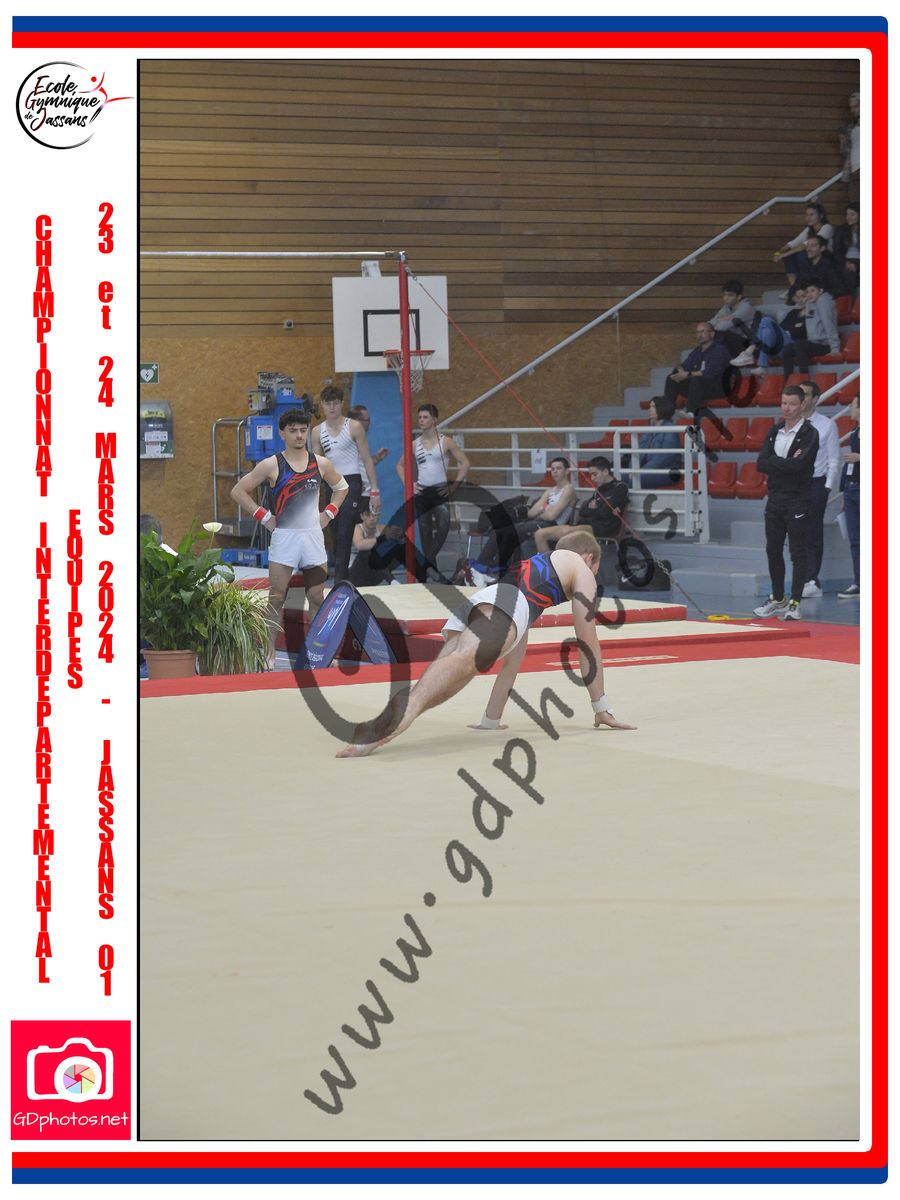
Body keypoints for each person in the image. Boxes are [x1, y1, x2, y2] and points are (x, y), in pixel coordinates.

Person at [336, 530, 636, 757]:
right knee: (452, 670)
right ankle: (381, 726)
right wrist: (601, 707)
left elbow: (511, 665)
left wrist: (491, 719)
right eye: (595, 570)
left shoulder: (537, 582)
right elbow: (587, 641)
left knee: (449, 681)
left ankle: (393, 720)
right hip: (507, 604)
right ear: (589, 558)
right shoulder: (580, 568)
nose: (592, 579)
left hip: (487, 599)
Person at [231, 407, 348, 667]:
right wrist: (264, 517)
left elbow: (342, 487)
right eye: (293, 431)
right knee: (277, 596)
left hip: (312, 537)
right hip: (285, 538)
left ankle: (316, 653)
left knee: (316, 596)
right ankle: (268, 653)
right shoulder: (271, 464)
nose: (299, 435)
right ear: (282, 433)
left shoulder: (320, 463)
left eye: (303, 430)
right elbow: (238, 491)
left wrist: (329, 512)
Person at [753, 386, 820, 622]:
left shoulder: (810, 433)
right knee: (773, 549)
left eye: (792, 403)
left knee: (797, 551)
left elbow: (799, 466)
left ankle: (795, 602)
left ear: (802, 405)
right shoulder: (775, 431)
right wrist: (784, 463)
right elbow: (761, 463)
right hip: (775, 498)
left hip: (798, 499)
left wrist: (775, 462)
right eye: (784, 403)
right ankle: (778, 598)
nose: (787, 408)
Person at [465, 456, 577, 585]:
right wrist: (546, 510)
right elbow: (531, 513)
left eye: (558, 468)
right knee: (500, 531)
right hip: (539, 523)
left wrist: (543, 509)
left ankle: (481, 568)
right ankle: (491, 569)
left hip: (554, 526)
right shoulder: (550, 491)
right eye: (553, 469)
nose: (555, 471)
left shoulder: (569, 490)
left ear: (567, 471)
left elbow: (552, 516)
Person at [311, 385, 382, 584]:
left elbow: (367, 460)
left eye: (335, 403)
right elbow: (317, 466)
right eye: (328, 403)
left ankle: (339, 583)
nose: (332, 407)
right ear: (322, 405)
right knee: (335, 533)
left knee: (345, 531)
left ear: (342, 404)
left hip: (351, 484)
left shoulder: (354, 426)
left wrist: (375, 491)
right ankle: (345, 579)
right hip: (331, 485)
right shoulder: (317, 432)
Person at [396, 403, 469, 576]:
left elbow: (465, 463)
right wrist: (409, 485)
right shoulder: (415, 444)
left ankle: (425, 563)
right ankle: (430, 574)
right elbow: (399, 466)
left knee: (443, 526)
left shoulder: (446, 442)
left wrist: (454, 486)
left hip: (439, 491)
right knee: (425, 534)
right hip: (422, 492)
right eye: (419, 417)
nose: (421, 420)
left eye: (425, 417)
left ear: (434, 419)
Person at [798, 381, 842, 597]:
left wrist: (827, 487)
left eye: (806, 394)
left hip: (816, 483)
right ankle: (802, 577)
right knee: (796, 531)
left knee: (813, 531)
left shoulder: (827, 425)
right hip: (794, 484)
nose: (801, 398)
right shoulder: (790, 423)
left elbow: (834, 459)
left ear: (815, 398)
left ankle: (812, 580)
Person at [533, 456, 628, 554]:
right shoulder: (599, 490)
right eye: (591, 475)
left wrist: (595, 508)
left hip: (602, 528)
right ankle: (547, 563)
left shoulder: (620, 487)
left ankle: (559, 561)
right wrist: (596, 508)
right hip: (585, 525)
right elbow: (583, 511)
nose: (592, 478)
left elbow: (605, 513)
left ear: (605, 472)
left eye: (595, 474)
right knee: (540, 534)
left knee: (565, 539)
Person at [662, 321, 731, 437]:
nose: (700, 335)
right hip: (700, 388)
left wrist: (688, 374)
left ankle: (691, 412)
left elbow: (711, 372)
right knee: (671, 378)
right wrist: (679, 371)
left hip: (718, 387)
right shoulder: (697, 351)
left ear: (712, 334)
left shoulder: (719, 349)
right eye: (698, 332)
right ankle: (666, 412)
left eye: (703, 332)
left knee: (697, 378)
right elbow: (685, 365)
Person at [781, 278, 840, 379]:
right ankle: (788, 381)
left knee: (800, 345)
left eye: (813, 291)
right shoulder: (810, 303)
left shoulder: (824, 302)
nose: (809, 294)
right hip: (814, 342)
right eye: (807, 292)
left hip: (826, 344)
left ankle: (804, 379)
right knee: (788, 348)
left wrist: (835, 348)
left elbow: (829, 325)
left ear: (820, 291)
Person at [626, 396, 683, 490]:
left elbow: (665, 457)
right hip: (647, 470)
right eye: (650, 407)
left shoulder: (671, 429)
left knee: (636, 479)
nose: (650, 409)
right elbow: (638, 452)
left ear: (662, 409)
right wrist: (632, 469)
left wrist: (642, 471)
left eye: (653, 407)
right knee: (620, 477)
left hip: (668, 472)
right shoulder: (649, 429)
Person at [772, 202, 834, 285]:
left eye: (812, 215)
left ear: (821, 216)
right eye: (807, 215)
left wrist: (784, 254)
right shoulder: (809, 229)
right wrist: (778, 253)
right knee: (790, 256)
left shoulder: (827, 228)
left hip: (827, 258)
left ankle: (805, 285)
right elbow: (793, 243)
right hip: (814, 255)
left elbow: (806, 245)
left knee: (801, 255)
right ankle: (794, 287)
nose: (808, 218)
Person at [348, 505, 405, 587]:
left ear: (378, 516)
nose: (372, 518)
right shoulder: (357, 528)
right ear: (362, 516)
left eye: (374, 515)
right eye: (368, 515)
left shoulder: (382, 528)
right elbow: (359, 545)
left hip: (374, 574)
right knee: (369, 550)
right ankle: (392, 580)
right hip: (355, 574)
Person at [837, 394, 860, 598]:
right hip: (852, 488)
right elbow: (849, 466)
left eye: (853, 405)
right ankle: (859, 581)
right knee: (855, 539)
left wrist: (862, 457)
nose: (850, 409)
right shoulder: (855, 431)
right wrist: (843, 491)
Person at [348, 404, 389, 507]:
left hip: (365, 492)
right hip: (356, 492)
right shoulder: (348, 441)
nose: (369, 423)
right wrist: (353, 485)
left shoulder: (361, 439)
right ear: (357, 421)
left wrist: (377, 458)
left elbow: (363, 462)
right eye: (367, 420)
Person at [710, 279, 758, 359]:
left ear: (739, 297)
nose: (726, 298)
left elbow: (721, 327)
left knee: (720, 334)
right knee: (708, 333)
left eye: (730, 295)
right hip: (738, 343)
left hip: (751, 347)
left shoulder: (746, 308)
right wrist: (722, 319)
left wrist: (720, 320)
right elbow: (710, 323)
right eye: (724, 294)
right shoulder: (727, 307)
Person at [832, 203, 860, 284]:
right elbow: (837, 252)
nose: (848, 217)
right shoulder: (841, 230)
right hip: (847, 259)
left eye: (852, 214)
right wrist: (846, 263)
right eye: (847, 214)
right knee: (848, 273)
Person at [839, 91, 860, 183]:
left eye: (855, 107)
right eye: (851, 108)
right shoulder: (851, 127)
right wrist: (843, 140)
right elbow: (845, 152)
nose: (852, 111)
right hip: (853, 171)